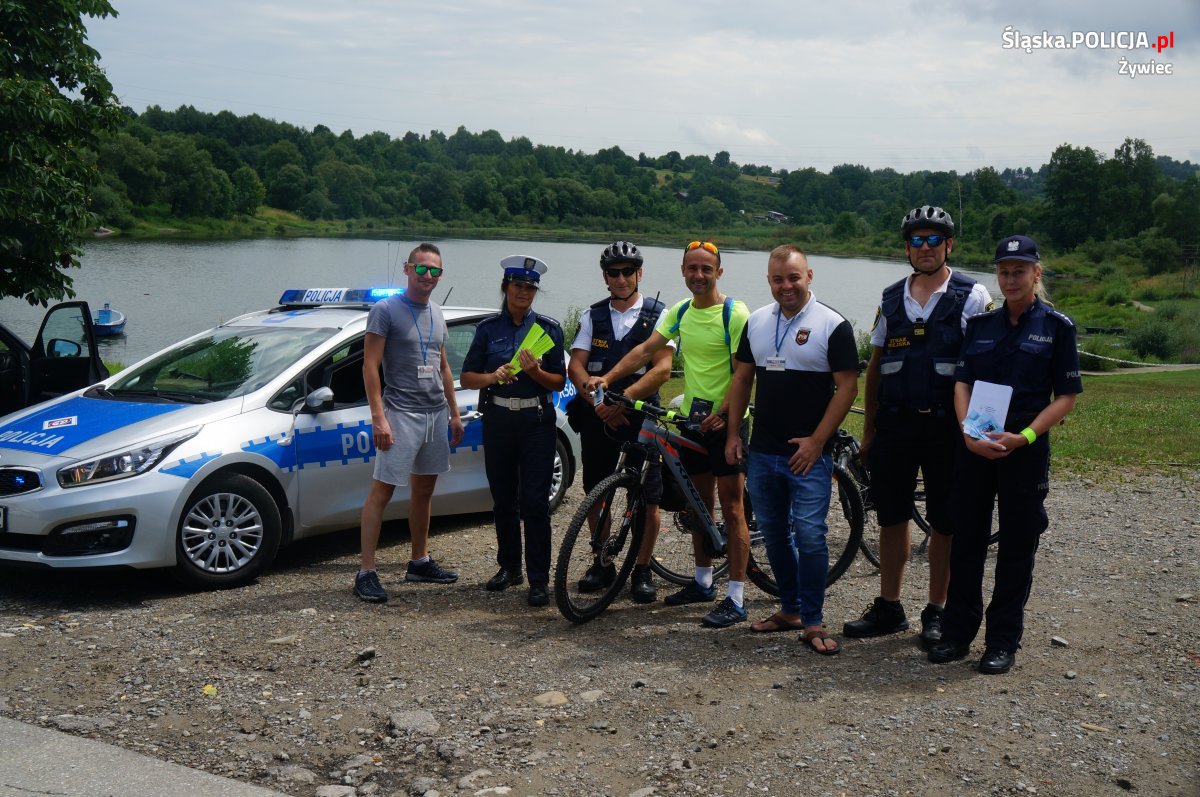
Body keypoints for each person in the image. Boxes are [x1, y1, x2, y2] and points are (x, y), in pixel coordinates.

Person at [928, 235, 1082, 674]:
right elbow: (962, 383)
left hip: (1024, 451)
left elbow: (1066, 396)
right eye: (1003, 271)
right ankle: (958, 632)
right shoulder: (980, 325)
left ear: (1037, 273)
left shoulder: (1057, 327)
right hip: (975, 448)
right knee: (967, 543)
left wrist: (1026, 437)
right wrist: (965, 433)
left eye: (1019, 270)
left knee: (1017, 546)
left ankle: (1002, 640)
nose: (1010, 278)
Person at [843, 205, 993, 648]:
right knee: (890, 517)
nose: (925, 248)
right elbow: (874, 369)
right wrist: (869, 432)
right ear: (906, 247)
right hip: (895, 428)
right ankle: (889, 606)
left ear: (949, 245)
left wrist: (979, 432)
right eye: (917, 240)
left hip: (949, 431)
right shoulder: (891, 298)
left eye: (934, 240)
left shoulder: (972, 295)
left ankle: (938, 610)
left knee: (945, 522)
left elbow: (985, 368)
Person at [586, 240, 750, 628]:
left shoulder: (734, 313)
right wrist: (607, 379)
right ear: (683, 271)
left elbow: (743, 374)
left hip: (726, 421)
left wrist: (726, 416)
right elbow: (646, 350)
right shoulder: (679, 312)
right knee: (698, 505)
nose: (698, 275)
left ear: (718, 272)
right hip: (693, 420)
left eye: (706, 269)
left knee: (733, 508)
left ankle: (737, 597)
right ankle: (703, 581)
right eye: (691, 268)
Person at [725, 245, 858, 654]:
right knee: (777, 534)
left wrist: (818, 442)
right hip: (763, 451)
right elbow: (743, 380)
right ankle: (791, 609)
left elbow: (848, 387)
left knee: (812, 536)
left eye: (794, 277)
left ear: (809, 276)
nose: (786, 286)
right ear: (769, 280)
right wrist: (733, 434)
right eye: (778, 279)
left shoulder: (832, 324)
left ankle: (814, 621)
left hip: (809, 455)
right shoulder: (758, 322)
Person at [355, 242, 465, 604]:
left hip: (434, 413)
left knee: (424, 490)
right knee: (382, 489)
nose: (428, 277)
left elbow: (443, 365)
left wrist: (453, 411)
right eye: (422, 269)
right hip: (400, 413)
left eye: (435, 271)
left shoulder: (437, 312)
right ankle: (366, 572)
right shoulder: (385, 310)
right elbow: (370, 366)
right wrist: (378, 418)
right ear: (407, 269)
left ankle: (419, 560)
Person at [567, 241, 674, 603]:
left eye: (629, 271)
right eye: (614, 273)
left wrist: (624, 402)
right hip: (598, 415)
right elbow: (576, 366)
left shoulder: (660, 315)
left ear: (639, 274)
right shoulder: (591, 315)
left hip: (641, 417)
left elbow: (662, 369)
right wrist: (596, 401)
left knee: (648, 496)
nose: (622, 278)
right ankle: (602, 561)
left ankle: (642, 570)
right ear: (605, 277)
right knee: (597, 492)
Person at [460, 255, 566, 607]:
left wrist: (534, 372)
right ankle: (509, 568)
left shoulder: (549, 330)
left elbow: (559, 380)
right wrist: (494, 376)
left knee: (535, 503)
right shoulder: (488, 329)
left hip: (536, 422)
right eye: (518, 286)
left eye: (531, 287)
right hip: (499, 420)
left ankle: (538, 580)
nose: (524, 292)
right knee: (503, 499)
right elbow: (468, 377)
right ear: (506, 287)